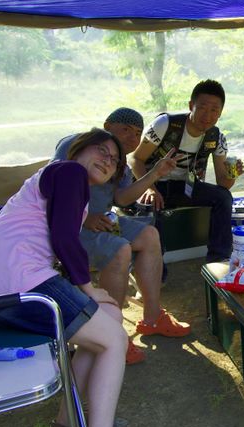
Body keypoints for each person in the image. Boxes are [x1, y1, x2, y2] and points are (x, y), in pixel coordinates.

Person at [0, 128, 129, 427]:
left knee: (109, 320)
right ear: (78, 150)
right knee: (114, 340)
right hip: (14, 279)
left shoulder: (56, 180)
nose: (108, 161)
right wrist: (88, 288)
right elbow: (64, 239)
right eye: (102, 150)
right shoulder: (70, 172)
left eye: (115, 161)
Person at [54, 108, 191, 366]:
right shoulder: (77, 145)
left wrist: (155, 174)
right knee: (120, 249)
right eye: (126, 130)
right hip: (70, 226)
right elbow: (55, 186)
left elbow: (121, 198)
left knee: (149, 235)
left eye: (138, 133)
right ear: (107, 126)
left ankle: (152, 318)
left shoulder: (120, 163)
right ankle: (111, 334)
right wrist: (84, 217)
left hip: (103, 222)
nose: (132, 138)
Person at [129, 79, 244, 263]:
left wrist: (233, 174)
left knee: (223, 197)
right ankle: (156, 268)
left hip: (185, 187)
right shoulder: (165, 124)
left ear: (220, 113)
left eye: (214, 110)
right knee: (150, 205)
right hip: (152, 184)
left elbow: (223, 184)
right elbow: (136, 159)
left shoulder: (216, 137)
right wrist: (150, 188)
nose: (208, 115)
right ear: (191, 106)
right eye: (202, 108)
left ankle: (219, 260)